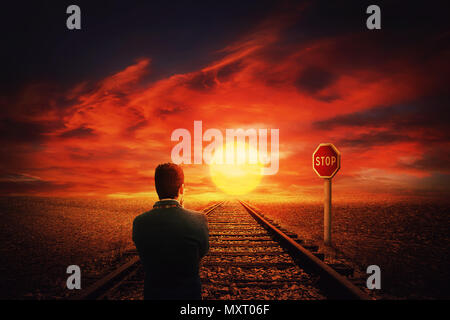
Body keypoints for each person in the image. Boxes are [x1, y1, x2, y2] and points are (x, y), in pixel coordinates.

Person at [132, 163, 209, 300]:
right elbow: (201, 252)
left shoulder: (139, 222)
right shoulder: (199, 219)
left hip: (154, 295)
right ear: (181, 189)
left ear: (157, 189)